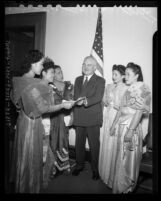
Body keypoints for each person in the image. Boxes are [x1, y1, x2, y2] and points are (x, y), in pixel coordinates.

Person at [10, 50, 74, 193]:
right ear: (32, 64)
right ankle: (29, 186)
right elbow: (44, 108)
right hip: (31, 126)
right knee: (32, 158)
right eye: (40, 64)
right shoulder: (31, 84)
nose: (41, 66)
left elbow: (17, 104)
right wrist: (63, 105)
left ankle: (22, 184)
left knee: (24, 156)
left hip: (22, 121)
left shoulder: (19, 80)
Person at [110, 62, 151, 193]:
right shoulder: (128, 89)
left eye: (128, 74)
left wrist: (130, 130)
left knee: (128, 161)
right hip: (122, 128)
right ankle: (120, 187)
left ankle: (127, 188)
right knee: (121, 159)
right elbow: (120, 110)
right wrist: (113, 125)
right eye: (125, 74)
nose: (125, 76)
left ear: (136, 75)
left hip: (130, 128)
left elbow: (139, 111)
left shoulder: (143, 87)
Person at [72, 56, 105, 180]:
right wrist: (75, 101)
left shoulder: (100, 80)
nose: (86, 67)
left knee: (94, 145)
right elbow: (75, 95)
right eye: (84, 64)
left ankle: (95, 169)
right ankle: (79, 165)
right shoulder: (78, 79)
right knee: (79, 144)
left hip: (92, 118)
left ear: (95, 67)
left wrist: (85, 101)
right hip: (79, 116)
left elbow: (98, 96)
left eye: (89, 65)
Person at [99, 65, 128, 186]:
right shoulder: (109, 86)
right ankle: (104, 174)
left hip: (117, 117)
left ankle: (112, 177)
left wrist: (113, 102)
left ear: (123, 76)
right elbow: (104, 101)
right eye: (113, 74)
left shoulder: (126, 88)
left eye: (116, 74)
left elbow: (121, 107)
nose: (113, 76)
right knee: (105, 141)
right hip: (107, 115)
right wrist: (105, 100)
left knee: (113, 144)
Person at [49, 65, 74, 177]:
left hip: (64, 116)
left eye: (61, 71)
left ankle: (63, 165)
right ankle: (52, 167)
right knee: (53, 140)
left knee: (63, 139)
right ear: (53, 74)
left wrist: (72, 116)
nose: (61, 74)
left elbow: (72, 103)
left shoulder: (68, 86)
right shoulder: (49, 86)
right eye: (57, 72)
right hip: (53, 117)